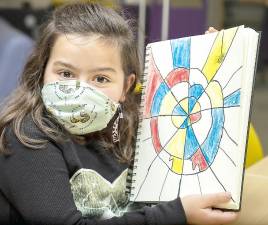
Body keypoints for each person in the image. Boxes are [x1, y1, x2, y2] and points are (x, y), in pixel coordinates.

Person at [0, 2, 238, 225]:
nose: (80, 89)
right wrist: (175, 215)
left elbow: (190, 119)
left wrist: (210, 68)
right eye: (65, 73)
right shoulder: (26, 137)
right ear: (42, 72)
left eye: (100, 78)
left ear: (126, 86)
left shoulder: (132, 124)